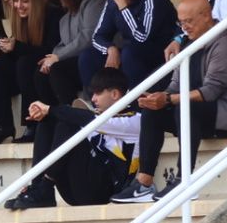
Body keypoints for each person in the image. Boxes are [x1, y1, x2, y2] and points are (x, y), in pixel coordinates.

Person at [111, 0, 227, 204]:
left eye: (189, 21)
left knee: (185, 108)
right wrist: (158, 97)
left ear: (207, 16)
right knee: (153, 111)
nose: (185, 28)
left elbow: (211, 91)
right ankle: (143, 183)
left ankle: (185, 181)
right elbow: (175, 85)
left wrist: (168, 99)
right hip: (206, 114)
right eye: (181, 23)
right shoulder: (189, 43)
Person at [7, 69, 140, 210]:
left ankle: (45, 186)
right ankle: (39, 188)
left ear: (114, 94)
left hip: (106, 190)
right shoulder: (99, 116)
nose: (93, 99)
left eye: (98, 93)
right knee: (46, 124)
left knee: (70, 125)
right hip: (75, 190)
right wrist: (46, 115)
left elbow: (92, 121)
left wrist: (50, 110)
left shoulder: (135, 120)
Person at [0, 0, 62, 144]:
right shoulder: (21, 19)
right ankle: (3, 126)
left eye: (25, 1)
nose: (18, 6)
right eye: (16, 1)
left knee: (24, 64)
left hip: (46, 67)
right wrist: (3, 53)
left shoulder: (53, 14)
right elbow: (22, 51)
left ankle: (32, 124)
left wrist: (16, 47)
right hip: (25, 71)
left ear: (37, 1)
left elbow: (50, 50)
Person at [84, 0, 178, 91]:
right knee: (89, 56)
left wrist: (122, 5)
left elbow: (142, 38)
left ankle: (135, 107)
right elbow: (98, 36)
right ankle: (98, 104)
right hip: (133, 54)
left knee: (130, 52)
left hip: (161, 54)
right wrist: (111, 49)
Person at [36, 0, 105, 106]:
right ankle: (51, 118)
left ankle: (70, 112)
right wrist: (50, 59)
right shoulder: (65, 18)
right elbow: (63, 44)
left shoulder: (94, 3)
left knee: (58, 69)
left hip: (93, 61)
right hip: (73, 62)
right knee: (41, 74)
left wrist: (58, 57)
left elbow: (87, 37)